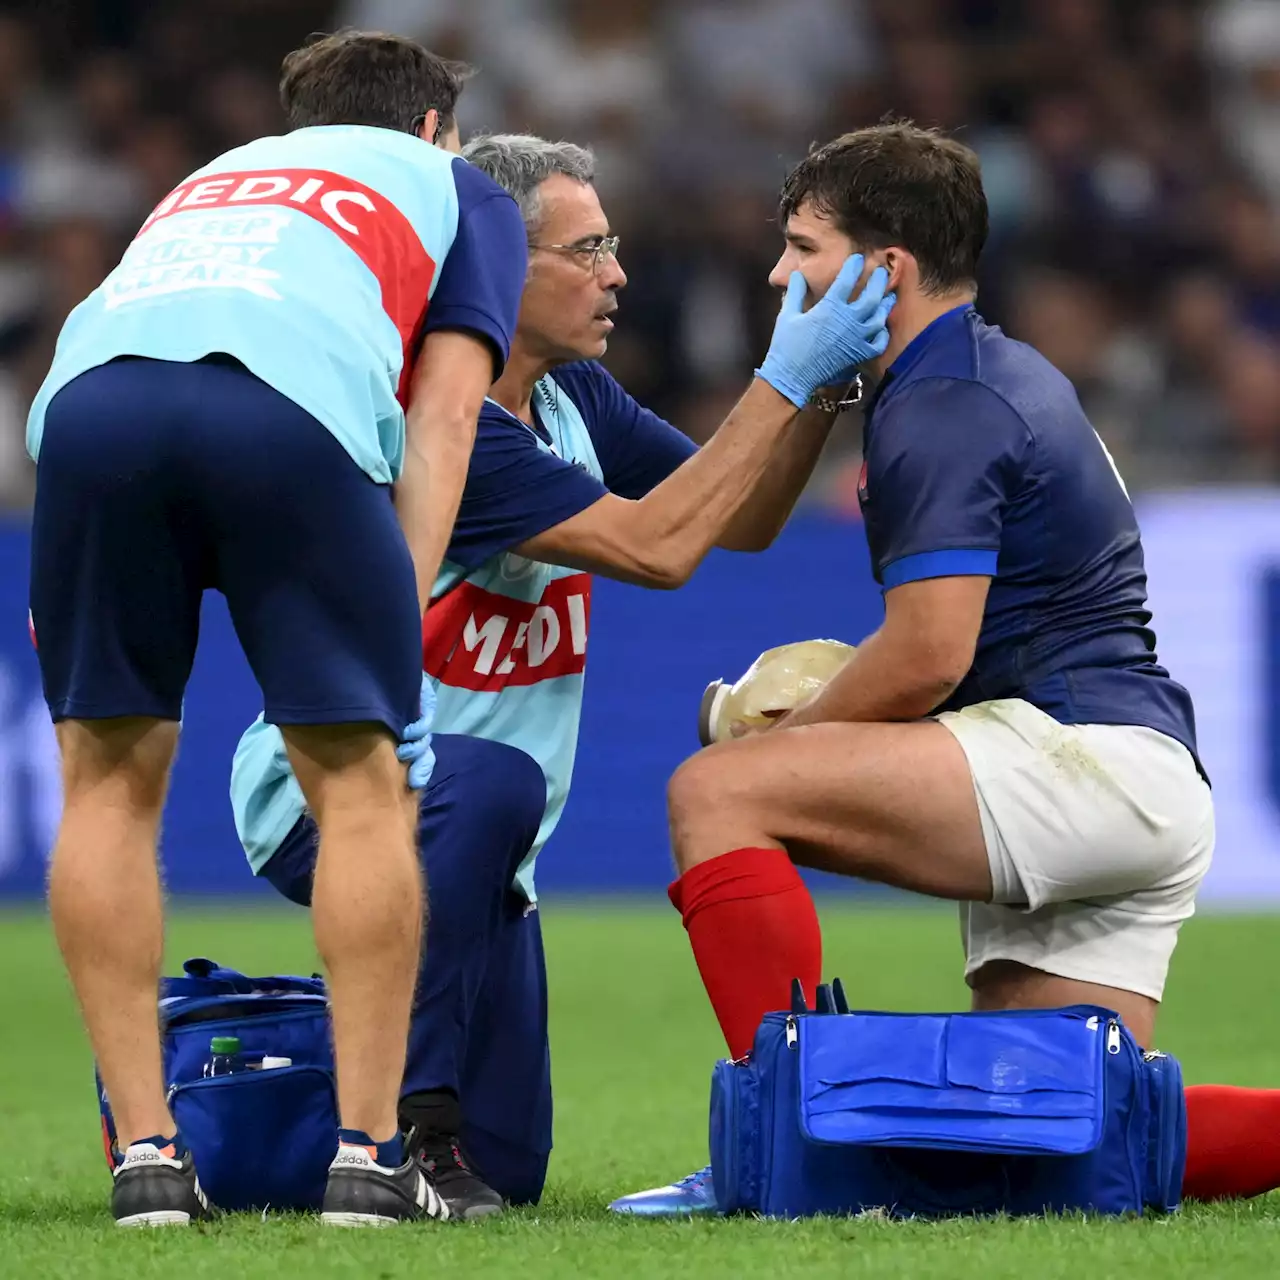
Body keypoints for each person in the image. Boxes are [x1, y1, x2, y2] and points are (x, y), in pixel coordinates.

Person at [230, 132, 895, 1219]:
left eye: (613, 245)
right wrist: (780, 375)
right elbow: (660, 550)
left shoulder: (574, 401)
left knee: (513, 1164)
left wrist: (815, 385)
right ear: (493, 265)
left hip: (474, 843)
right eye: (585, 250)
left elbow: (746, 519)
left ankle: (268, 1082)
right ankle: (402, 1137)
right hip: (340, 785)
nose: (616, 273)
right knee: (492, 782)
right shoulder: (446, 422)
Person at [609, 120, 1267, 1216]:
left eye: (802, 248)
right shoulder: (961, 373)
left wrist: (785, 737)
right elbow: (753, 525)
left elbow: (925, 653)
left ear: (885, 269)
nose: (778, 273)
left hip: (1076, 755)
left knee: (715, 790)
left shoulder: (942, 403)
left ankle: (783, 1144)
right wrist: (807, 382)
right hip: (1132, 773)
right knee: (1034, 1136)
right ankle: (829, 1138)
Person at [27, 31, 530, 1227]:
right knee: (359, 788)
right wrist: (392, 643)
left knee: (103, 787)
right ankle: (365, 1159)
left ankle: (145, 1157)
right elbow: (445, 420)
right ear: (429, 129)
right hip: (281, 409)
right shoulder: (456, 188)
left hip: (90, 414)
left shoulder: (213, 176)